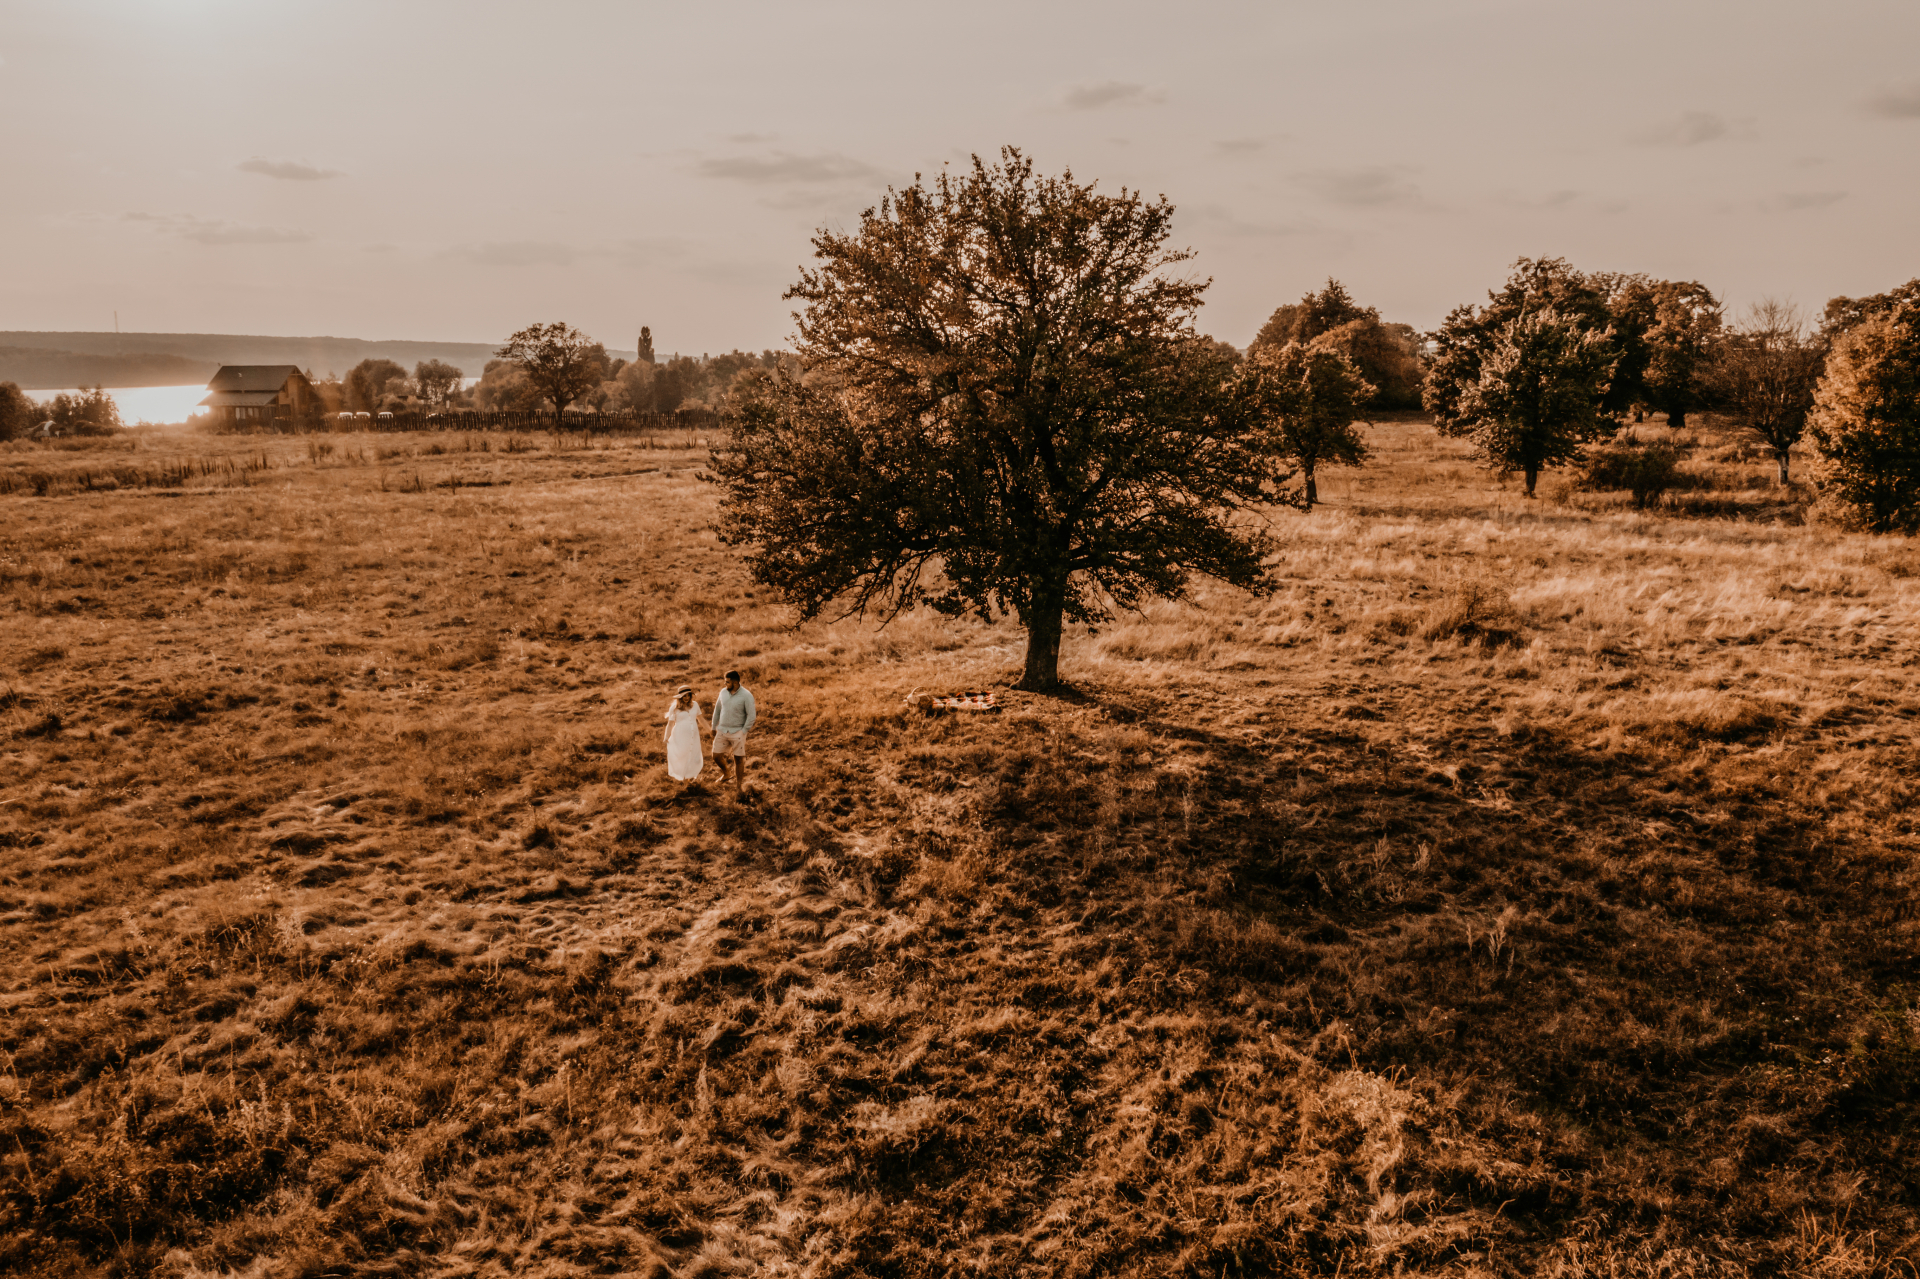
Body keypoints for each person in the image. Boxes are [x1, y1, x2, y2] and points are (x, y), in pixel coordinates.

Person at [710, 668, 756, 797]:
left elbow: (751, 716)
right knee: (716, 755)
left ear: (735, 682)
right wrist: (714, 726)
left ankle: (738, 786)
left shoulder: (746, 695)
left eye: (727, 682)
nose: (725, 684)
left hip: (738, 732)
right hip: (722, 730)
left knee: (738, 759)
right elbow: (717, 710)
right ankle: (726, 773)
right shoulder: (723, 692)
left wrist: (743, 731)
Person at [663, 685, 704, 782]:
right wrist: (666, 737)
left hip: (694, 735)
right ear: (680, 697)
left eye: (688, 695)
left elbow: (701, 719)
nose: (686, 698)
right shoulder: (674, 708)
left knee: (693, 754)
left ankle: (690, 777)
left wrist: (710, 731)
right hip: (679, 735)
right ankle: (683, 777)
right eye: (684, 696)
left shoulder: (695, 705)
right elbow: (670, 724)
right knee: (682, 754)